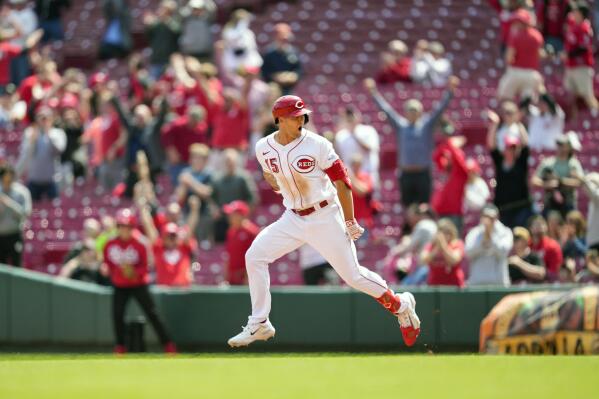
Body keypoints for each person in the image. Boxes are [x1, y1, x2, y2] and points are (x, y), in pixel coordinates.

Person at [227, 95, 420, 348]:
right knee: (255, 256)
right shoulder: (264, 147)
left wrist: (349, 220)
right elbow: (269, 174)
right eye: (295, 116)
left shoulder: (318, 144)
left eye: (302, 115)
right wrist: (277, 182)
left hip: (325, 215)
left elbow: (342, 181)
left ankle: (402, 305)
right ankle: (260, 323)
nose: (301, 119)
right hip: (293, 217)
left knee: (353, 276)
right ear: (279, 119)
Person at [364, 75, 459, 206]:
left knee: (424, 207)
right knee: (408, 209)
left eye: (415, 110)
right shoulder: (401, 126)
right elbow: (386, 110)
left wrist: (450, 91)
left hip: (423, 174)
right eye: (410, 110)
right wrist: (373, 92)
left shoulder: (427, 125)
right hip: (406, 174)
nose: (412, 113)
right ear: (406, 112)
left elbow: (439, 110)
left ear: (420, 112)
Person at [103, 208, 177, 354]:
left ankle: (168, 345)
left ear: (132, 227)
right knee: (117, 315)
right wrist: (109, 269)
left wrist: (134, 272)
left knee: (152, 314)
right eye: (122, 226)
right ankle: (120, 347)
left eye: (128, 226)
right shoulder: (110, 244)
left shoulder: (140, 243)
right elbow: (108, 264)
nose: (125, 230)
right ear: (117, 227)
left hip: (138, 284)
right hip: (120, 285)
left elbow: (147, 266)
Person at [138, 196, 199, 288]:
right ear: (163, 237)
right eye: (168, 236)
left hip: (182, 290)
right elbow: (149, 228)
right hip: (163, 291)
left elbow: (190, 228)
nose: (171, 239)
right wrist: (143, 209)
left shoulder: (183, 246)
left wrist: (194, 210)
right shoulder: (159, 247)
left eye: (173, 236)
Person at [486, 110, 533, 228]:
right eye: (509, 148)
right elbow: (491, 146)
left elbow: (526, 144)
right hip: (503, 209)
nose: (511, 150)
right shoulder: (500, 162)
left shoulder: (520, 163)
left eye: (514, 148)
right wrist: (495, 124)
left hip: (521, 208)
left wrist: (518, 123)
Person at [431, 135, 481, 235]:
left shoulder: (461, 173)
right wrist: (446, 146)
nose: (448, 158)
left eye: (450, 157)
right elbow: (436, 156)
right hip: (440, 213)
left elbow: (458, 160)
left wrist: (450, 143)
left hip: (454, 215)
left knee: (453, 243)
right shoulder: (445, 170)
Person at [16, 106, 66, 201]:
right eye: (41, 117)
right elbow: (26, 154)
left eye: (46, 117)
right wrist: (32, 141)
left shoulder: (58, 133)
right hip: (34, 180)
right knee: (34, 212)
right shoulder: (30, 133)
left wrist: (48, 134)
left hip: (52, 181)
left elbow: (59, 151)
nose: (44, 120)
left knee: (55, 210)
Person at [497, 9, 545, 101]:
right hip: (531, 74)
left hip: (515, 71)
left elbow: (509, 57)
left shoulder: (515, 35)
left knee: (505, 99)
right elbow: (539, 55)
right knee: (527, 103)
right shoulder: (537, 36)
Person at [383, 203, 437, 285]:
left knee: (405, 286)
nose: (409, 218)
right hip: (432, 265)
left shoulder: (423, 225)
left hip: (425, 266)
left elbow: (410, 247)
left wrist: (394, 251)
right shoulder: (433, 225)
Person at [532, 132, 584, 217]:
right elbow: (534, 181)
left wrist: (561, 181)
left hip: (568, 203)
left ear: (569, 147)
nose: (560, 147)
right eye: (558, 144)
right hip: (550, 203)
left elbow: (580, 182)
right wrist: (547, 184)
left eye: (562, 145)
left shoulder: (573, 164)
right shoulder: (548, 163)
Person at [212, 148, 258, 243]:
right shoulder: (217, 179)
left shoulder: (243, 177)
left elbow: (253, 198)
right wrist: (214, 209)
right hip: (223, 219)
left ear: (236, 162)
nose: (229, 164)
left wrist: (244, 215)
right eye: (226, 162)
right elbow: (212, 198)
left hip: (239, 218)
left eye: (231, 162)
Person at [562, 1, 598, 115]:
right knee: (571, 97)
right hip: (571, 66)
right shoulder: (573, 24)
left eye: (576, 11)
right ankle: (574, 122)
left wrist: (569, 55)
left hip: (582, 67)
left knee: (588, 96)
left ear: (581, 14)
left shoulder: (585, 27)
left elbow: (584, 48)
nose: (573, 13)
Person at [464, 204, 513, 286]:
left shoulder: (505, 232)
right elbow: (468, 253)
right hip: (477, 282)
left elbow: (503, 252)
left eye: (491, 217)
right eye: (486, 216)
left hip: (499, 283)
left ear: (497, 217)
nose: (488, 220)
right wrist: (483, 240)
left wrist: (490, 236)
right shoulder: (474, 233)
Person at [334, 106, 380, 192]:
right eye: (348, 116)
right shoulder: (341, 135)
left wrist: (354, 133)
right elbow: (337, 156)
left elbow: (370, 148)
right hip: (349, 177)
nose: (350, 118)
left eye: (352, 115)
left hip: (368, 174)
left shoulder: (368, 130)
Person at [161, 105, 209, 185]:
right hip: (179, 161)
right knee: (178, 184)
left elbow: (202, 144)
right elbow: (165, 133)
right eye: (193, 119)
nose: (194, 122)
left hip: (193, 162)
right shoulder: (178, 124)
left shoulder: (201, 127)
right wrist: (171, 151)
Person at [175, 143, 214, 241]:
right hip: (187, 213)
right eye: (194, 157)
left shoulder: (209, 174)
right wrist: (183, 185)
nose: (195, 161)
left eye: (199, 158)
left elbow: (207, 193)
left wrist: (190, 182)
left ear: (205, 160)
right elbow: (179, 197)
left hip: (204, 214)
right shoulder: (186, 172)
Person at [0, 165, 31, 267]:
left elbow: (26, 213)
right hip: (1, 235)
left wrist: (9, 203)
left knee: (17, 266)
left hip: (15, 234)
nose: (7, 183)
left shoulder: (21, 192)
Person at [420, 218, 465, 287]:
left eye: (447, 233)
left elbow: (454, 260)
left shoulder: (457, 244)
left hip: (454, 286)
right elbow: (423, 260)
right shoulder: (431, 246)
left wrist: (443, 247)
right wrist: (436, 249)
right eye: (442, 232)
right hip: (434, 285)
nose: (444, 236)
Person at [223, 200, 259, 285]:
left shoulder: (252, 232)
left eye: (233, 215)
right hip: (232, 278)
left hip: (246, 279)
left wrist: (248, 278)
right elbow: (228, 256)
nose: (230, 217)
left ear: (241, 215)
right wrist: (226, 278)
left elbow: (255, 257)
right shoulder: (231, 231)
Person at [260, 23, 302, 95]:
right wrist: (275, 76)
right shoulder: (269, 53)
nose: (284, 41)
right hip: (272, 89)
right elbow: (264, 72)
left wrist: (293, 76)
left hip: (289, 88)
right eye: (282, 39)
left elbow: (298, 69)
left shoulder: (293, 52)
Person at [143, 1, 181, 80]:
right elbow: (147, 36)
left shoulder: (175, 22)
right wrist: (148, 25)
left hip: (169, 61)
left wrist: (167, 20)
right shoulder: (156, 24)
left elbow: (177, 32)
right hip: (156, 60)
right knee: (153, 85)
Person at [220, 9, 262, 74]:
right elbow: (234, 38)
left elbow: (252, 47)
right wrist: (241, 25)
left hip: (248, 61)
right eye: (242, 20)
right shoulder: (229, 31)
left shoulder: (249, 32)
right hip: (234, 62)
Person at [7, 0, 37, 85]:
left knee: (21, 79)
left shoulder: (30, 15)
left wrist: (14, 24)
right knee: (9, 79)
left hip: (22, 51)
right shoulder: (11, 13)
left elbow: (25, 33)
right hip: (10, 51)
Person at [528, 214, 564, 282]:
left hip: (548, 284)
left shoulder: (552, 246)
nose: (540, 226)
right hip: (528, 283)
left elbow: (555, 272)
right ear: (530, 228)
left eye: (542, 223)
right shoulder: (527, 245)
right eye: (536, 224)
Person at [575, 172, 599, 251]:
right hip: (593, 240)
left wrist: (584, 180)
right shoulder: (593, 202)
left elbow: (594, 195)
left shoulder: (596, 197)